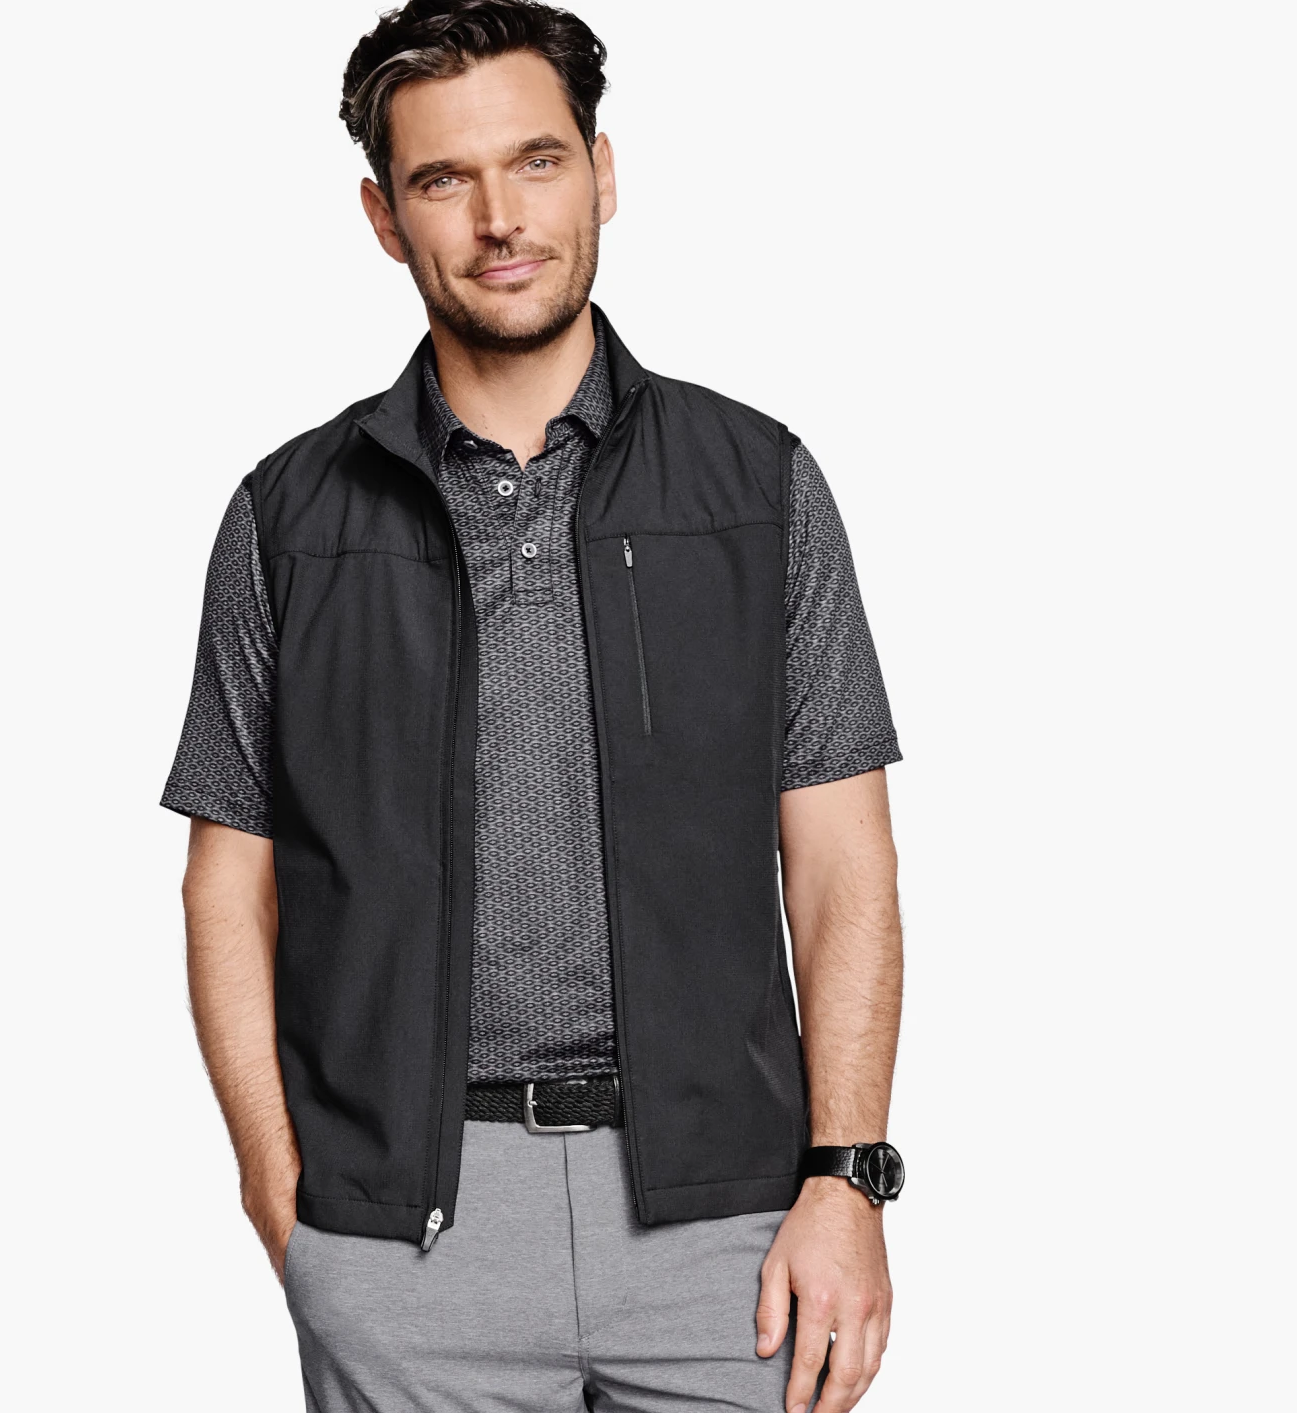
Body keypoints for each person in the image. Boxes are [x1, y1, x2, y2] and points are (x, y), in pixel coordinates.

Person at [160, 3, 905, 1410]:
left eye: (538, 161)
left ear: (602, 174)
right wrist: (284, 1202)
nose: (501, 218)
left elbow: (842, 864)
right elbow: (227, 881)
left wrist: (845, 1179)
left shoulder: (758, 485)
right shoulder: (288, 518)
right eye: (445, 178)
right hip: (405, 1237)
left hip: (728, 1227)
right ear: (385, 218)